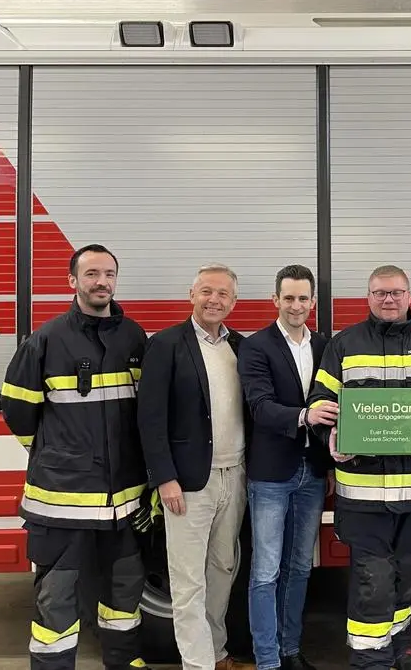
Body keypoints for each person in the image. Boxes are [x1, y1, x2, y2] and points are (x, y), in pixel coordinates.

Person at [305, 264, 411, 670]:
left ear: (409, 296)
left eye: (395, 292)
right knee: (372, 578)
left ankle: (399, 649)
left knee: (405, 575)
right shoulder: (344, 344)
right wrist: (331, 437)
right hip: (361, 493)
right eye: (380, 292)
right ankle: (369, 659)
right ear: (368, 297)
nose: (388, 299)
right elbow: (321, 400)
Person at [0, 244, 153, 670]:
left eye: (109, 274)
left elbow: (144, 411)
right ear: (73, 281)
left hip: (124, 502)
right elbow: (18, 412)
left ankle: (123, 662)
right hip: (61, 503)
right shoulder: (45, 340)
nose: (101, 282)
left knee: (124, 596)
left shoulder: (133, 337)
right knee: (57, 603)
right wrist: (58, 455)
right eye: (91, 274)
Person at [136, 263, 254, 670]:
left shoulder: (240, 347)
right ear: (191, 295)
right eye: (206, 291)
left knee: (223, 571)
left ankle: (216, 654)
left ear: (234, 302)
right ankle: (197, 664)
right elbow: (150, 417)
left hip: (234, 477)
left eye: (223, 294)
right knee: (188, 581)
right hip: (188, 484)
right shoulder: (166, 344)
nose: (213, 300)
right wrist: (164, 478)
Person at [237, 265, 333, 670]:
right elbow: (260, 407)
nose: (296, 306)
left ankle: (290, 651)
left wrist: (330, 464)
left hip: (313, 471)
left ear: (313, 302)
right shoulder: (255, 347)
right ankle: (267, 660)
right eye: (288, 298)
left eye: (303, 298)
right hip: (271, 475)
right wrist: (304, 416)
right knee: (265, 572)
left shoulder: (326, 345)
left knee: (299, 568)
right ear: (275, 300)